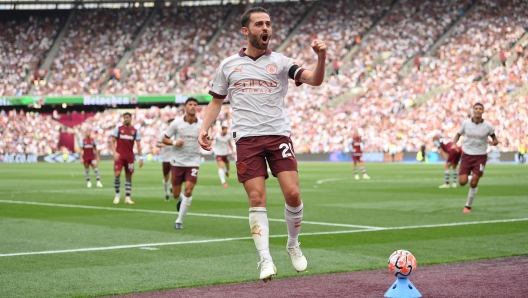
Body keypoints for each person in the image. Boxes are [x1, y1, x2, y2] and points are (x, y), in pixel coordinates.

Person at [198, 6, 327, 282]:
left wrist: (322, 57)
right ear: (246, 31)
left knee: (292, 194)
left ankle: (293, 244)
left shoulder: (281, 62)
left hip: (278, 135)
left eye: (268, 23)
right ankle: (265, 259)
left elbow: (314, 79)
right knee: (257, 199)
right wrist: (204, 128)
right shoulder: (228, 65)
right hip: (246, 139)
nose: (266, 28)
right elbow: (216, 100)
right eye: (259, 24)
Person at [162, 98, 203, 230]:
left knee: (189, 190)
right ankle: (183, 201)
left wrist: (206, 142)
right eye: (190, 104)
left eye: (195, 105)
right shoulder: (176, 123)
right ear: (185, 107)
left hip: (193, 162)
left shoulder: (202, 124)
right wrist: (174, 143)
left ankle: (179, 220)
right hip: (177, 162)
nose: (193, 107)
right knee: (175, 194)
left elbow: (207, 138)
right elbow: (165, 138)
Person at [452, 103, 498, 213]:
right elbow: (458, 134)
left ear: (483, 111)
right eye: (476, 108)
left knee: (474, 183)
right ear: (473, 110)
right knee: (462, 182)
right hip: (467, 155)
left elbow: (495, 140)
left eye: (480, 109)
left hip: (480, 156)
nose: (478, 110)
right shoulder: (466, 123)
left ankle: (468, 206)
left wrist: (493, 142)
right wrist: (454, 144)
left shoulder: (488, 126)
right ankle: (473, 179)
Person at [110, 112, 143, 205]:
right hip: (119, 156)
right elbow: (112, 141)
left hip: (129, 157)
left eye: (127, 117)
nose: (126, 119)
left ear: (131, 119)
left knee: (129, 177)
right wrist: (114, 152)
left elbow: (139, 145)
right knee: (117, 174)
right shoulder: (118, 129)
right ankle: (117, 195)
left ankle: (128, 198)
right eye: (124, 118)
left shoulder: (135, 131)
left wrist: (140, 157)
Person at [156, 118, 175, 202]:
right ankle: (166, 192)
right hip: (166, 158)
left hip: (176, 158)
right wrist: (165, 144)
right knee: (166, 177)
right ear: (168, 124)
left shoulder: (177, 134)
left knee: (175, 176)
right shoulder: (163, 134)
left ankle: (171, 187)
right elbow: (157, 144)